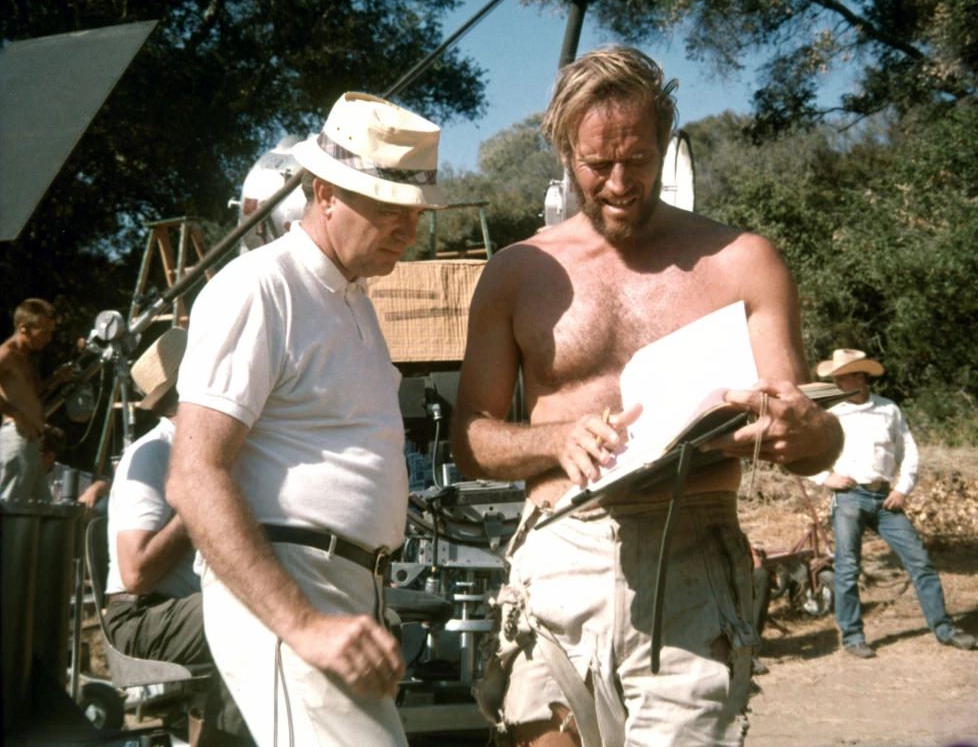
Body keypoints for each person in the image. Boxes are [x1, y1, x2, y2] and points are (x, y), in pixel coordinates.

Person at [450, 46, 843, 747]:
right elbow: (471, 441)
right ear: (563, 150)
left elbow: (813, 440)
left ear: (666, 143)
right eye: (598, 165)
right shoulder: (518, 272)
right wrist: (553, 439)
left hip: (689, 558)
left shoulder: (742, 261)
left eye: (640, 159)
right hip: (558, 550)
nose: (621, 183)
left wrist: (800, 433)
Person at [166, 92, 445, 746]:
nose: (407, 229)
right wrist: (302, 622)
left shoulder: (353, 305)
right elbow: (193, 475)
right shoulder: (260, 288)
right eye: (385, 208)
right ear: (323, 193)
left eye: (414, 213)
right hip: (288, 585)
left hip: (344, 588)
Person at [103, 327, 252, 745]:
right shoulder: (154, 453)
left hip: (186, 607)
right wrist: (201, 502)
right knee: (255, 617)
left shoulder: (218, 450)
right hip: (142, 617)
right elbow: (135, 572)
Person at [811, 348, 976, 658]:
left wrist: (902, 488)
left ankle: (944, 628)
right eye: (834, 378)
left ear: (860, 377)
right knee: (847, 569)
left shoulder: (888, 410)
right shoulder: (829, 414)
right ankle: (852, 636)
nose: (836, 383)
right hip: (849, 498)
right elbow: (802, 452)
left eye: (841, 377)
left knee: (920, 563)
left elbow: (908, 450)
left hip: (885, 497)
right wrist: (824, 478)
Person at [0, 298, 74, 501]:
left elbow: (33, 394)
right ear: (24, 328)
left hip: (33, 442)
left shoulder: (27, 357)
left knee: (40, 509)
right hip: (17, 437)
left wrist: (57, 378)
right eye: (45, 332)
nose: (49, 338)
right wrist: (18, 416)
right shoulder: (6, 354)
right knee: (11, 509)